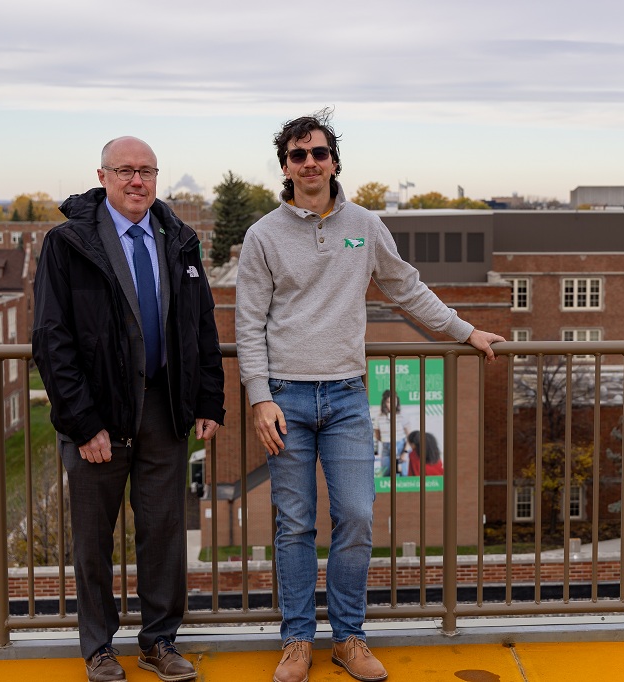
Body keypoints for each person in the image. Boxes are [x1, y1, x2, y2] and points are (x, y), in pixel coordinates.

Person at [235, 108, 505, 682]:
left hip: (347, 398)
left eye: (319, 153)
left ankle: (350, 637)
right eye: (297, 155)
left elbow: (407, 288)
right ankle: (298, 640)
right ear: (285, 167)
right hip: (286, 399)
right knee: (294, 524)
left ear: (334, 161)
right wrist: (260, 397)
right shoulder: (262, 235)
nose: (309, 163)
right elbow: (249, 322)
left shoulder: (365, 224)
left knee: (357, 516)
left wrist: (466, 331)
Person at [32, 137, 226, 682]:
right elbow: (52, 338)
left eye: (146, 171)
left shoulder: (179, 240)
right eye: (125, 170)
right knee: (93, 538)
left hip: (164, 410)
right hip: (98, 416)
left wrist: (208, 397)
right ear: (103, 175)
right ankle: (98, 646)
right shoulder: (68, 243)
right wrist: (83, 422)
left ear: (157, 178)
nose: (136, 180)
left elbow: (201, 324)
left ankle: (159, 641)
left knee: (164, 533)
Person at [373, 390, 411, 477]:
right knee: (386, 474)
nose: (393, 404)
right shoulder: (379, 416)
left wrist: (405, 452)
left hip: (400, 447)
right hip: (386, 447)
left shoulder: (402, 414)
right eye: (389, 402)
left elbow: (410, 436)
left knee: (403, 474)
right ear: (384, 403)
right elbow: (377, 435)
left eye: (395, 401)